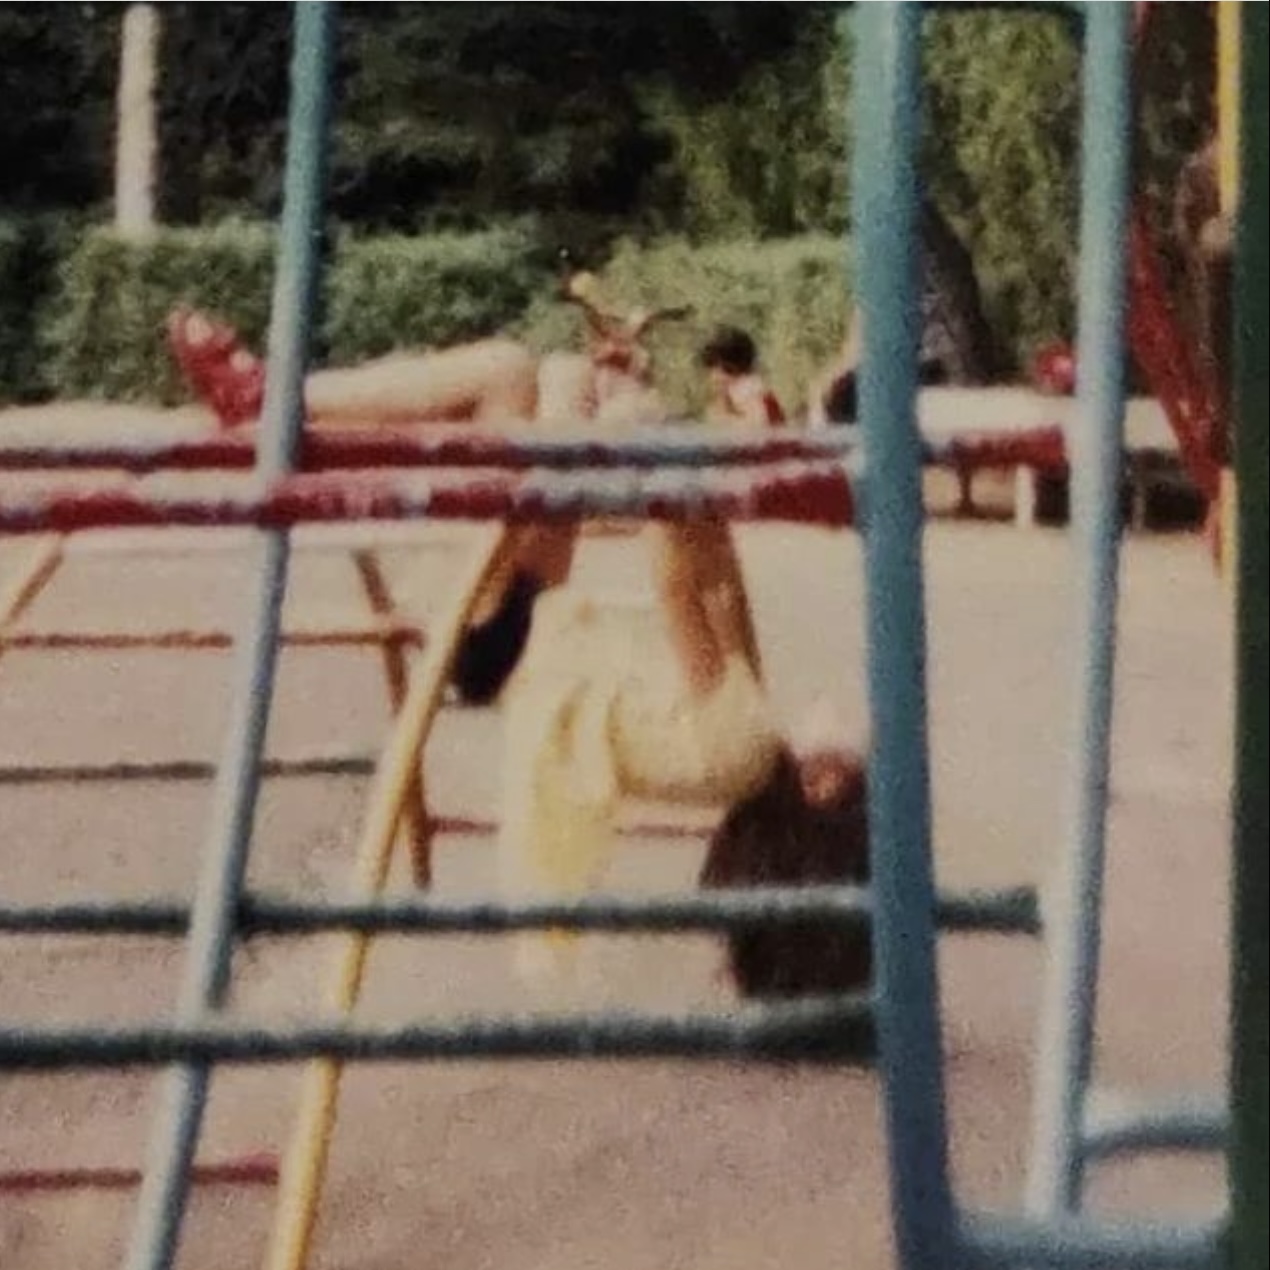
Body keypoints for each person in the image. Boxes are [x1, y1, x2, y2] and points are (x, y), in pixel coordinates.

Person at [496, 515, 870, 1004]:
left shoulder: (742, 747)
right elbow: (721, 594)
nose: (848, 740)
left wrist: (662, 513)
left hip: (542, 675)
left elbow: (677, 591)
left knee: (567, 532)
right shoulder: (750, 753)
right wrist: (705, 522)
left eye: (852, 766)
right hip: (561, 691)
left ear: (820, 786)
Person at [809, 199, 1001, 426]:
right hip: (952, 370)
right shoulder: (934, 242)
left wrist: (830, 385)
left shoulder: (894, 239)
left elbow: (866, 326)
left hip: (932, 373)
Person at [698, 325, 787, 427]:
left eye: (711, 364)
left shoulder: (747, 390)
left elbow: (759, 426)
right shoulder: (749, 390)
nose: (713, 377)